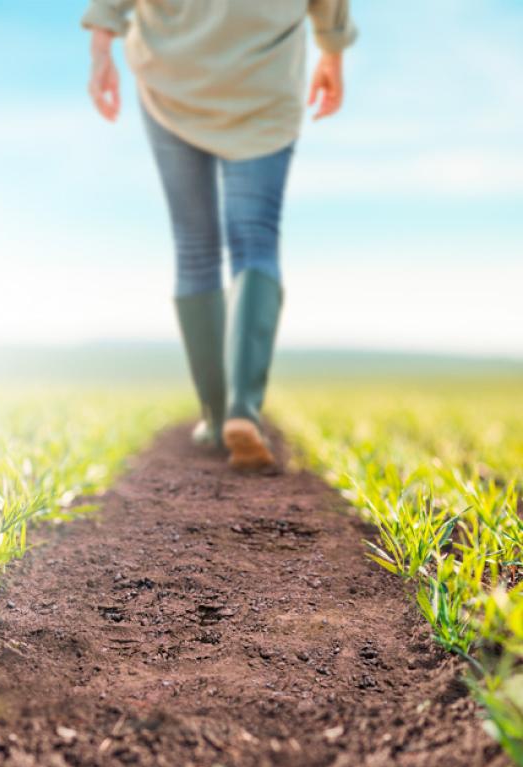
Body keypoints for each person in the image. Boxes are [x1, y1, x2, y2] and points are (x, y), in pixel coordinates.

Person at [81, 1, 357, 470]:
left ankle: (214, 416)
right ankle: (242, 411)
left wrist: (101, 50)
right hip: (263, 82)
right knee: (256, 240)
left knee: (195, 247)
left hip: (174, 75)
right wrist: (331, 51)